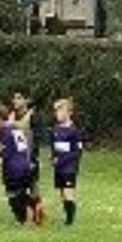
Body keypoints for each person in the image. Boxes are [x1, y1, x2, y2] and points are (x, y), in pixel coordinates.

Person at [8, 89, 45, 223]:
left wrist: (34, 158)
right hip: (15, 159)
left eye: (18, 97)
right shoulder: (11, 116)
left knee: (32, 185)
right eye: (14, 98)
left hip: (29, 157)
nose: (15, 101)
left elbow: (37, 139)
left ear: (26, 100)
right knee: (22, 187)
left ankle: (36, 212)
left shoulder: (33, 116)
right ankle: (34, 211)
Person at [0, 104, 37, 225]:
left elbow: (5, 154)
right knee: (22, 192)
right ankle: (35, 207)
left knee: (14, 195)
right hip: (25, 165)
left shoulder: (5, 132)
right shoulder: (16, 129)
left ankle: (25, 218)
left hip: (13, 169)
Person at [50, 97, 85, 225]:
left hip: (69, 167)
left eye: (60, 111)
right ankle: (67, 215)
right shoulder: (55, 129)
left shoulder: (74, 131)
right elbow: (54, 147)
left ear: (69, 112)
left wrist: (67, 161)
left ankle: (70, 220)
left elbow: (77, 151)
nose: (57, 114)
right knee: (61, 192)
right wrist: (54, 158)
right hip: (58, 167)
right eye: (56, 111)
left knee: (68, 191)